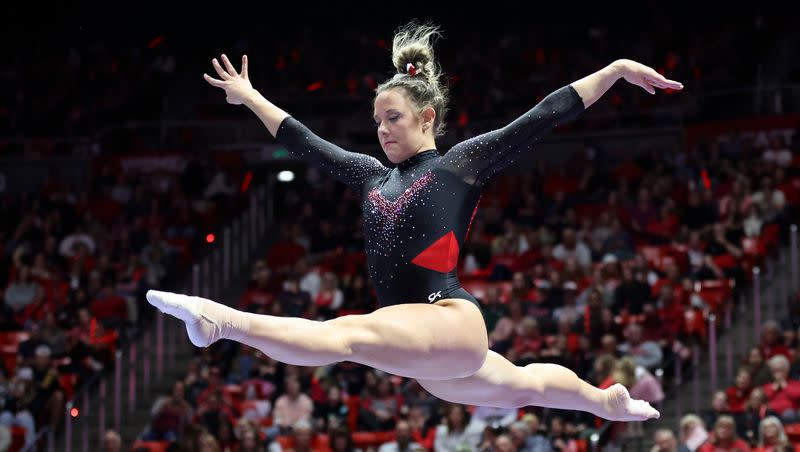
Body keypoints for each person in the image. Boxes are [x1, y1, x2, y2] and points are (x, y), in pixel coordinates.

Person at [148, 21, 681, 421]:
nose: (381, 129)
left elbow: (543, 116)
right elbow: (302, 142)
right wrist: (249, 97)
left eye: (393, 118)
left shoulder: (460, 165)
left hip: (448, 319)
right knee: (522, 387)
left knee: (347, 335)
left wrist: (613, 72)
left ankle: (220, 322)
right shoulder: (369, 176)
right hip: (429, 360)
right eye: (378, 120)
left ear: (427, 118)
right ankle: (605, 401)